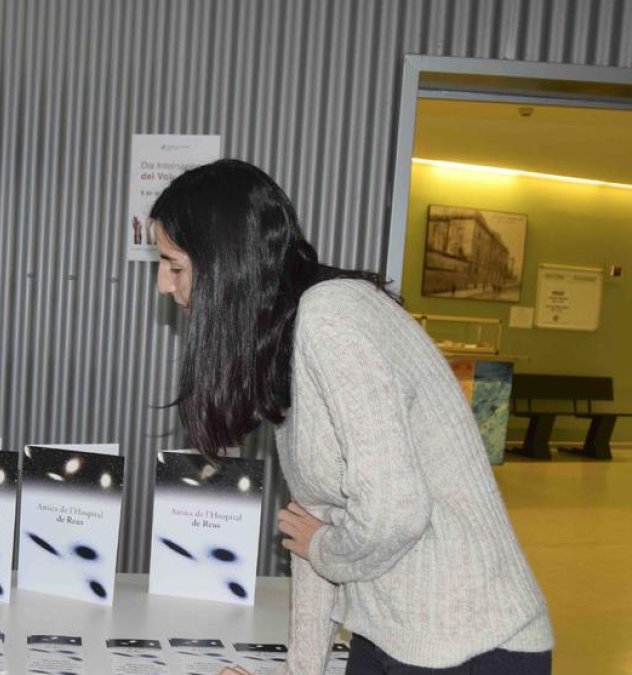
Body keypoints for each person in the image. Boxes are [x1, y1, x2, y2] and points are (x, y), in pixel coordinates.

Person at [150, 160, 552, 675]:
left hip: (472, 642)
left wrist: (323, 547)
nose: (164, 284)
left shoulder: (334, 319)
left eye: (174, 265)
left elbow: (391, 513)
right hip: (389, 634)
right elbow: (310, 529)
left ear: (229, 262)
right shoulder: (287, 343)